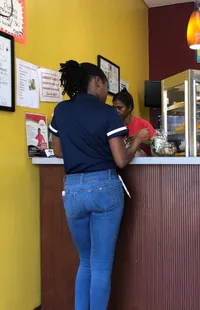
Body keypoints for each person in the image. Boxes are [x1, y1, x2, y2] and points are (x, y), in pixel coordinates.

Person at [48, 60, 149, 310]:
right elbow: (121, 160)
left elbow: (58, 151)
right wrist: (137, 141)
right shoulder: (107, 113)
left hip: (72, 190)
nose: (108, 93)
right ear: (97, 82)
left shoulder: (61, 110)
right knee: (101, 265)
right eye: (106, 85)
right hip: (104, 189)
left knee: (86, 262)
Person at [113, 88, 155, 156]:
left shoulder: (144, 124)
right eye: (114, 108)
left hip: (144, 164)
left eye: (119, 108)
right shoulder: (113, 125)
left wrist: (139, 141)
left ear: (129, 107)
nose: (116, 111)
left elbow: (157, 145)